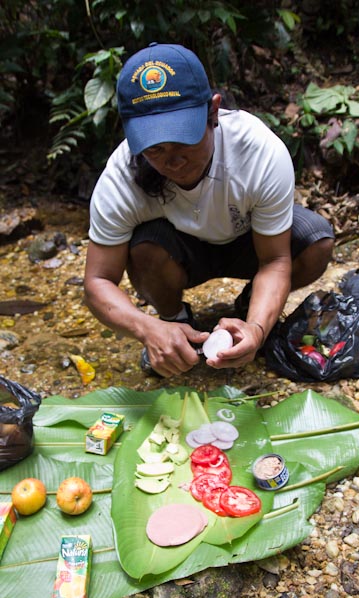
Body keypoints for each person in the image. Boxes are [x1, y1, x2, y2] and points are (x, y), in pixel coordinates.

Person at [84, 42, 334, 378]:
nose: (173, 160)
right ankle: (173, 322)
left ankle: (250, 312)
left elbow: (275, 260)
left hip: (247, 238)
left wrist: (257, 330)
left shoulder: (258, 151)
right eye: (155, 149)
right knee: (144, 249)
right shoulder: (122, 173)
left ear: (213, 112)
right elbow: (98, 280)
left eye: (184, 140)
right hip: (180, 249)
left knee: (315, 241)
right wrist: (147, 328)